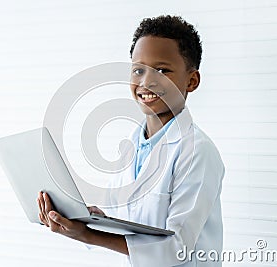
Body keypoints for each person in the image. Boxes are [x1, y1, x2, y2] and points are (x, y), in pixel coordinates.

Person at [37, 15, 225, 267]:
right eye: (138, 70)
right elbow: (128, 222)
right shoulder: (134, 145)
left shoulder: (197, 152)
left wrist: (88, 235)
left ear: (191, 81)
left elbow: (176, 247)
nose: (146, 82)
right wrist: (88, 219)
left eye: (162, 70)